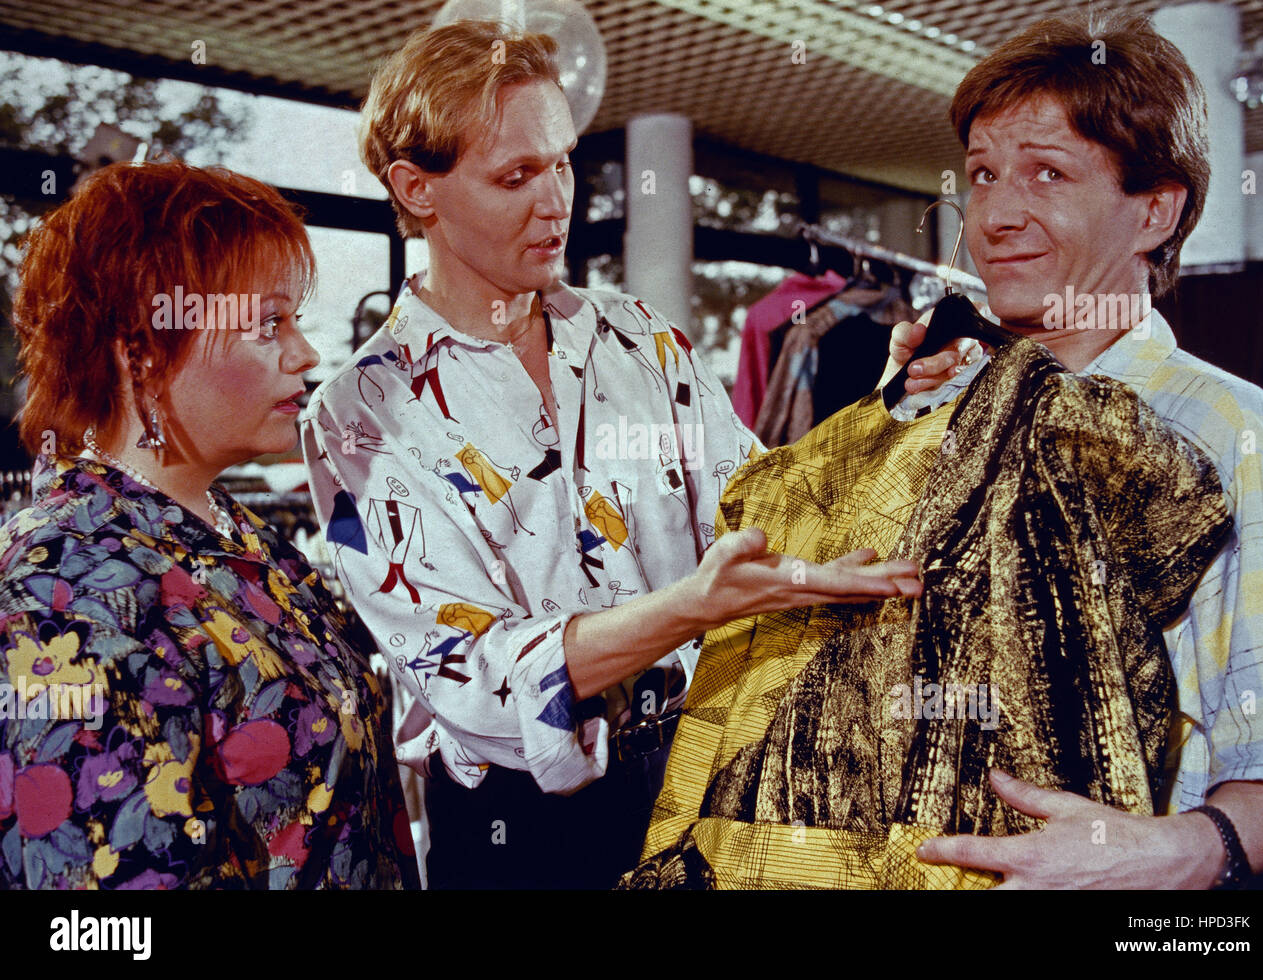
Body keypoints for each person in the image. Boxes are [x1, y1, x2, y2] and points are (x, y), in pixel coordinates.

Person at [300, 20, 922, 889]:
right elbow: (475, 675)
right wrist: (689, 610)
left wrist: (891, 407)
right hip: (523, 831)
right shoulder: (360, 415)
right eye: (516, 175)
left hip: (695, 773)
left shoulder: (641, 339)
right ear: (418, 189)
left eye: (562, 161)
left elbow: (764, 503)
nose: (555, 199)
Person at [882, 14, 1263, 887]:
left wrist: (1161, 853)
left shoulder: (1225, 429)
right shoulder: (932, 409)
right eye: (983, 174)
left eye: (1048, 172)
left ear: (1155, 210)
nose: (994, 215)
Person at [0, 159, 419, 889]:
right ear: (143, 352)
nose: (306, 353)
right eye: (268, 324)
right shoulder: (54, 585)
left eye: (296, 319)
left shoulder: (250, 543)